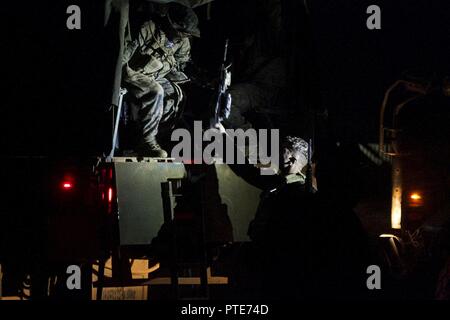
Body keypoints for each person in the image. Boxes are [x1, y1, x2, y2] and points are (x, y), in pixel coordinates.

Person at [122, 4, 200, 157]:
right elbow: (124, 56)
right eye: (182, 32)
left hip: (156, 75)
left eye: (187, 34)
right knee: (156, 91)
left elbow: (179, 64)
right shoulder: (148, 29)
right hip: (131, 72)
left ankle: (156, 136)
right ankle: (146, 141)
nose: (184, 36)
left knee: (176, 95)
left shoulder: (182, 42)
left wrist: (191, 77)